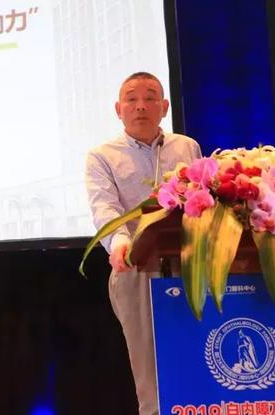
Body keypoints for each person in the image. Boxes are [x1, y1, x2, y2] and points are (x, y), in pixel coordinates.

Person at [85, 72, 201, 415]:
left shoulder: (187, 147)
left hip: (189, 264)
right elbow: (105, 208)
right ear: (118, 109)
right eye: (131, 99)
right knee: (150, 373)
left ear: (164, 107)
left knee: (198, 356)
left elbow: (202, 199)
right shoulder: (102, 156)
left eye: (150, 97)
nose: (140, 106)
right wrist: (120, 243)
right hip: (136, 267)